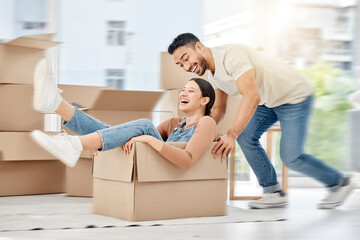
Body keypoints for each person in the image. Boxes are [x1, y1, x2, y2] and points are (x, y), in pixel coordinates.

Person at [167, 33, 354, 209]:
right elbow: (218, 109)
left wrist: (231, 134)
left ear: (199, 47)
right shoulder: (213, 75)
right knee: (246, 138)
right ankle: (273, 192)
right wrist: (197, 131)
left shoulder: (231, 56)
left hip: (293, 95)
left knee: (291, 157)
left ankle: (339, 182)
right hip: (269, 100)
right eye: (180, 65)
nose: (186, 66)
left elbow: (251, 95)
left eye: (185, 58)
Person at [31, 59, 217, 169]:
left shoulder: (207, 122)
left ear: (204, 100)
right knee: (114, 131)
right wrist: (110, 140)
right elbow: (129, 135)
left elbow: (187, 160)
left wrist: (149, 139)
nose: (183, 93)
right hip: (155, 165)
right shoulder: (174, 123)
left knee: (145, 125)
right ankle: (56, 104)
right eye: (183, 90)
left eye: (191, 91)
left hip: (171, 169)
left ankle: (75, 143)